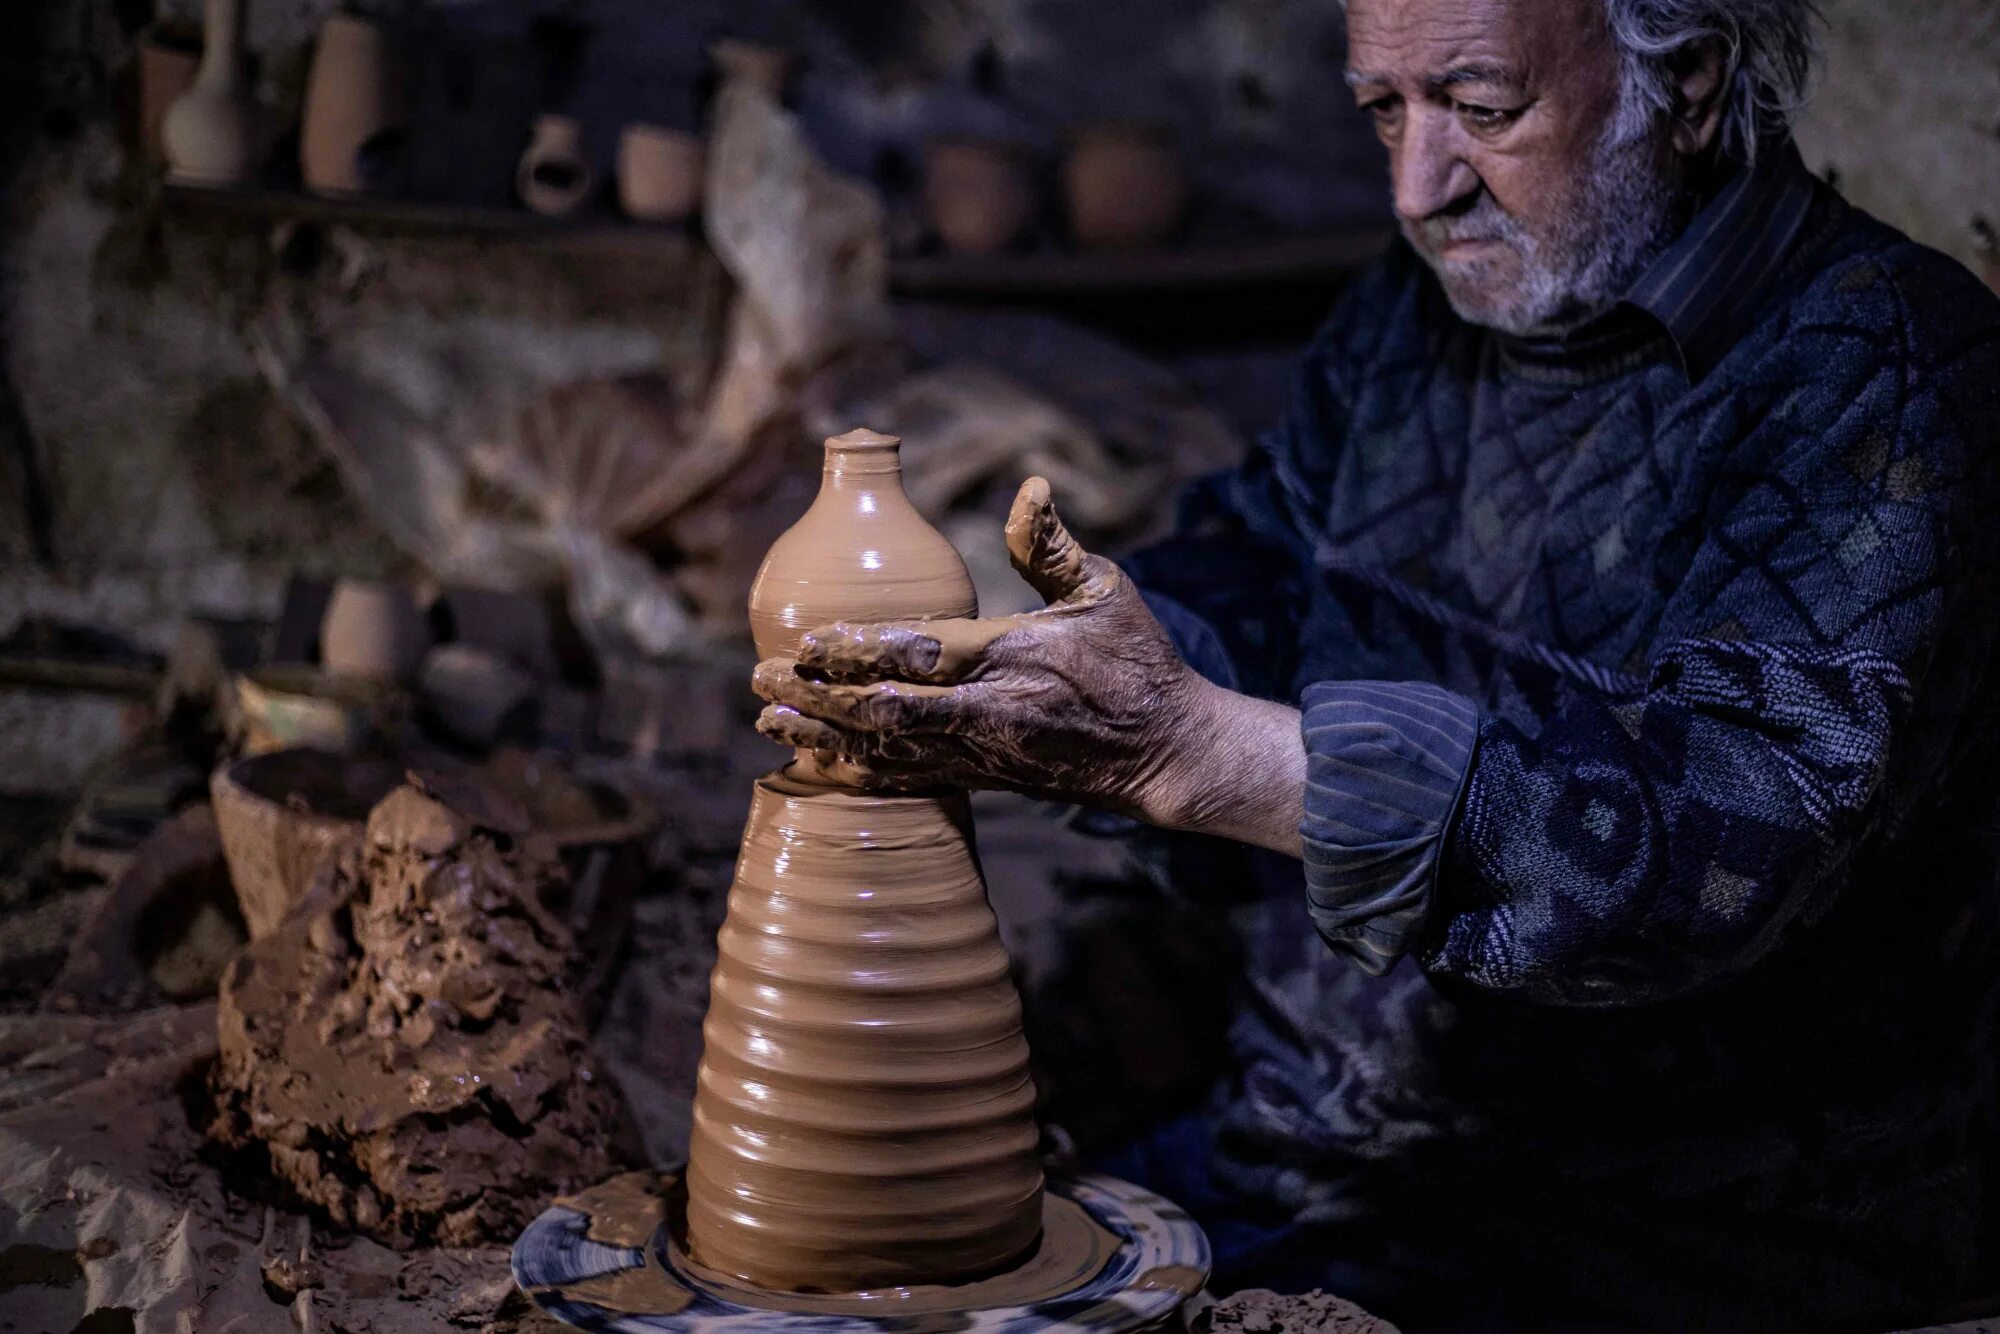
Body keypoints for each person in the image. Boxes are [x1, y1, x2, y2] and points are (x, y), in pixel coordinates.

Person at [752, 0, 2000, 1326]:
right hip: (1314, 1163)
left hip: (1690, 1242)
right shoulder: (1421, 309)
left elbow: (1700, 856)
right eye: (1384, 109)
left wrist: (1201, 748)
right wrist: (1060, 667)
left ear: (1686, 84)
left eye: (1482, 107)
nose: (1418, 188)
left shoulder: (1884, 381)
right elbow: (1266, 561)